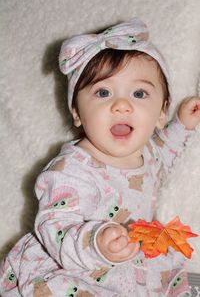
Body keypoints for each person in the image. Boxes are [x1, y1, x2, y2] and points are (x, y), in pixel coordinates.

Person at [0, 18, 200, 297]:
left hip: (131, 260)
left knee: (168, 280)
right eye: (103, 92)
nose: (121, 105)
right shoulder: (70, 169)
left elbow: (164, 152)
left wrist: (181, 125)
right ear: (78, 114)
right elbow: (54, 226)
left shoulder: (149, 152)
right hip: (73, 264)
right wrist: (96, 242)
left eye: (139, 93)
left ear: (160, 112)